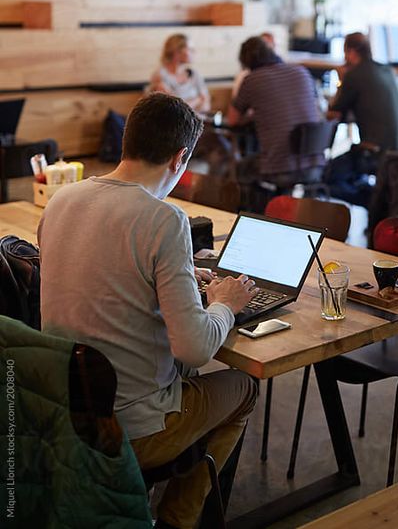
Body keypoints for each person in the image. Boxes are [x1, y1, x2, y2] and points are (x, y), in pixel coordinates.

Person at [39, 93, 258, 529]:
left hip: (67, 411)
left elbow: (103, 272)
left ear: (127, 141)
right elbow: (195, 348)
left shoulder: (61, 201)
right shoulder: (165, 220)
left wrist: (175, 273)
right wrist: (225, 304)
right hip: (131, 428)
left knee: (183, 374)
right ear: (180, 159)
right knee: (244, 388)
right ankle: (177, 520)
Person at [227, 36, 323, 206]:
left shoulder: (252, 79)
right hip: (315, 163)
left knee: (241, 169)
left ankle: (259, 218)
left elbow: (232, 120)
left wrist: (253, 115)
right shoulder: (301, 71)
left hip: (280, 167)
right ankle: (283, 209)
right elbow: (313, 108)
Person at [324, 31, 398, 206]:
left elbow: (334, 111)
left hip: (374, 154)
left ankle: (374, 203)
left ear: (352, 52)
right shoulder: (387, 70)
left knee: (326, 177)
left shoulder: (354, 75)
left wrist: (341, 79)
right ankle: (377, 199)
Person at [149, 33, 210, 113]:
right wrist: (198, 99)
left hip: (197, 122)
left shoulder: (194, 74)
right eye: (190, 49)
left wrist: (186, 104)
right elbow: (174, 110)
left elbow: (206, 106)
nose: (194, 52)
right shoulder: (160, 76)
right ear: (177, 52)